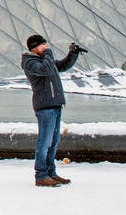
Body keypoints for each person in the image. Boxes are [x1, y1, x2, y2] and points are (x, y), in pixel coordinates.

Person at [21, 34, 84, 187]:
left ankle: (51, 173)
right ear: (34, 47)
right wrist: (48, 53)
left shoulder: (43, 61)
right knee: (44, 142)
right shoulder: (30, 62)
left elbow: (61, 66)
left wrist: (72, 54)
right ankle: (41, 175)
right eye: (43, 45)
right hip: (45, 106)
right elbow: (46, 69)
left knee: (53, 142)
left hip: (54, 104)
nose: (46, 47)